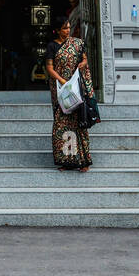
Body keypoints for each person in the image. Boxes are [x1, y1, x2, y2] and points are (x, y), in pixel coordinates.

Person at [44, 16, 93, 171]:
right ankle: (67, 160)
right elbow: (50, 68)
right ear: (57, 30)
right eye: (64, 28)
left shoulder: (77, 44)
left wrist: (82, 64)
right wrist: (63, 82)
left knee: (79, 123)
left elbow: (85, 60)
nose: (67, 31)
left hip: (76, 89)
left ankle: (83, 161)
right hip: (61, 90)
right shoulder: (52, 46)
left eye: (68, 28)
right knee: (62, 125)